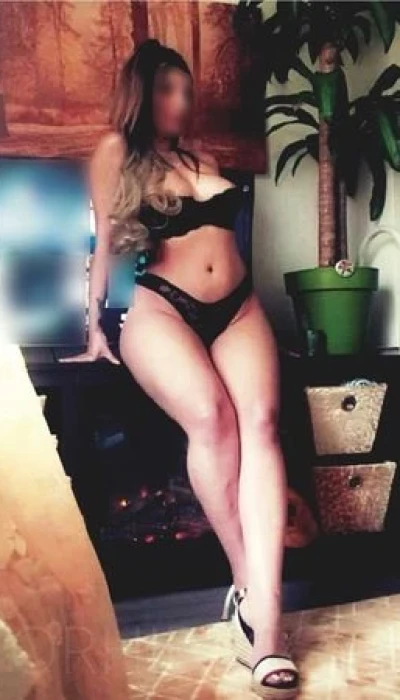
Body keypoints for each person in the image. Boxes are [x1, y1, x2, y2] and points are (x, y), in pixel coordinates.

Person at [60, 38, 300, 698]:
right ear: (143, 91)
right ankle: (249, 587)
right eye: (169, 88)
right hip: (161, 306)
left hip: (239, 306)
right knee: (214, 420)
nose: (182, 101)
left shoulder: (203, 159)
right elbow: (101, 243)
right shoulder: (116, 150)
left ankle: (266, 628)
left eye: (188, 91)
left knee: (262, 425)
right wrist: (93, 330)